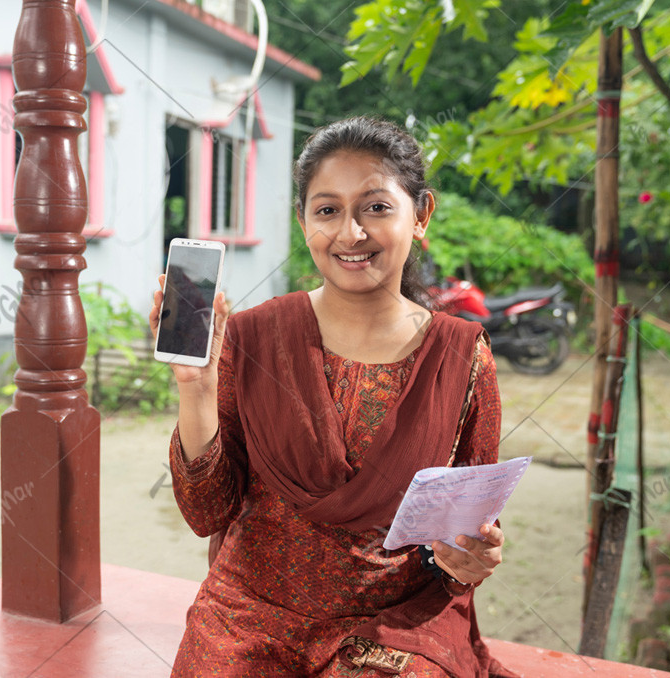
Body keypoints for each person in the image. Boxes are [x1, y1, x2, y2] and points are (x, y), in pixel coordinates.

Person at [149, 117, 518, 678]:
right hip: (250, 613)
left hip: (393, 623)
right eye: (327, 211)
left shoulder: (461, 354)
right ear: (304, 223)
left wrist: (469, 559)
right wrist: (194, 389)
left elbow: (465, 530)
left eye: (375, 208)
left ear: (420, 215)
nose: (350, 234)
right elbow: (206, 513)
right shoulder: (251, 337)